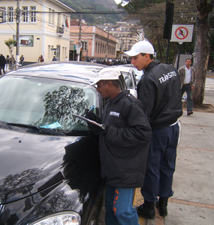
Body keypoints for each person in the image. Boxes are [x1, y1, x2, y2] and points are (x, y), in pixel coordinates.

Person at [85, 67, 152, 225]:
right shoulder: (110, 103)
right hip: (113, 169)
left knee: (123, 211)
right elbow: (111, 128)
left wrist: (107, 130)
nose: (97, 89)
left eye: (99, 85)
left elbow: (143, 133)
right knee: (111, 211)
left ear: (109, 84)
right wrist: (98, 124)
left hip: (126, 171)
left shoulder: (130, 105)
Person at [125, 41, 183, 219]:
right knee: (167, 166)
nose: (133, 62)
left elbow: (145, 113)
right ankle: (163, 203)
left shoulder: (148, 79)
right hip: (174, 127)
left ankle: (149, 205)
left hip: (158, 131)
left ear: (147, 56)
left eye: (135, 58)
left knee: (151, 167)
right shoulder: (171, 69)